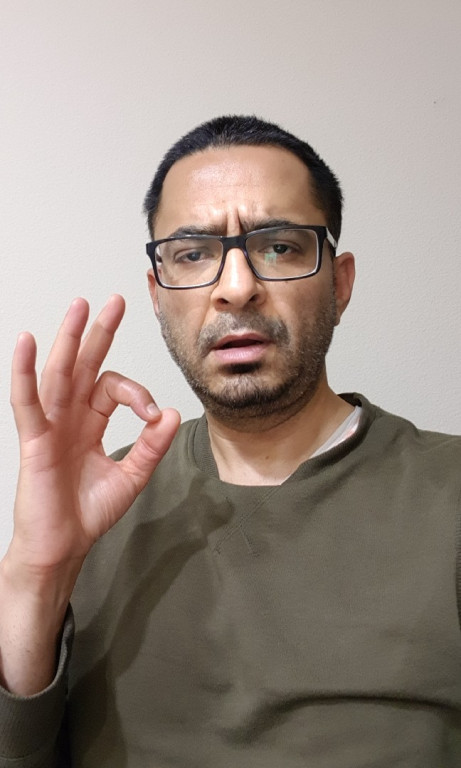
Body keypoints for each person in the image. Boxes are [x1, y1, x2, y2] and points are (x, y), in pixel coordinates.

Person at [0, 115, 460, 768]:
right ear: (157, 295)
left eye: (279, 246)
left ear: (339, 282)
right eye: (193, 254)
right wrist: (35, 576)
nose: (236, 287)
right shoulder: (94, 509)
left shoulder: (447, 495)